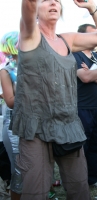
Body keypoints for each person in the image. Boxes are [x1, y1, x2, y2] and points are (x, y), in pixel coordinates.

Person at [11, 0, 97, 199]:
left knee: (79, 188)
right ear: (37, 9)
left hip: (68, 124)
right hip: (36, 128)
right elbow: (29, 5)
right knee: (35, 192)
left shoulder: (68, 40)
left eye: (57, 1)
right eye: (46, 0)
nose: (53, 3)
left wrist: (91, 7)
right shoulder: (29, 35)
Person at [73, 23, 97, 189]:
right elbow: (84, 78)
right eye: (92, 34)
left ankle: (93, 178)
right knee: (82, 147)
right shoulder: (74, 55)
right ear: (81, 36)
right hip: (80, 108)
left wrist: (94, 73)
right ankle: (78, 181)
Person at [0, 31, 22, 200]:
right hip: (15, 125)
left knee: (37, 168)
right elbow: (11, 102)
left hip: (37, 122)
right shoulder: (7, 71)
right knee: (19, 169)